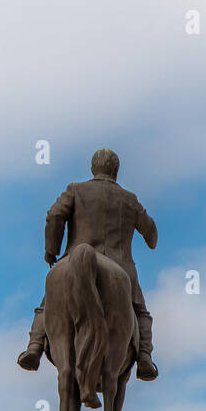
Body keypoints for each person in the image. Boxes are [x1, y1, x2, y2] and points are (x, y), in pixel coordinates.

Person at [17, 148, 159, 384]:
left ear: (93, 169)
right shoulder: (129, 199)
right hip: (121, 267)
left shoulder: (75, 189)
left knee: (47, 305)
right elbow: (152, 237)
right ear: (116, 170)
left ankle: (34, 348)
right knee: (140, 312)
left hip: (73, 260)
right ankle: (144, 357)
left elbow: (54, 216)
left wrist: (51, 251)